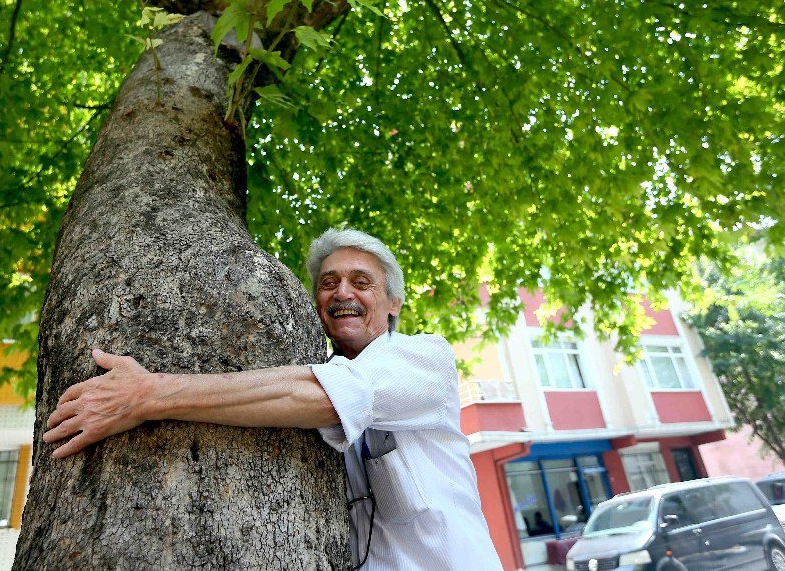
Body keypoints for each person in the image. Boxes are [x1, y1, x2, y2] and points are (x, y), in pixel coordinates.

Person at [44, 228, 502, 570]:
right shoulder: (325, 367)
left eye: (361, 282)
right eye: (328, 283)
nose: (342, 292)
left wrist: (147, 395)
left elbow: (321, 396)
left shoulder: (424, 357)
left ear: (393, 303)